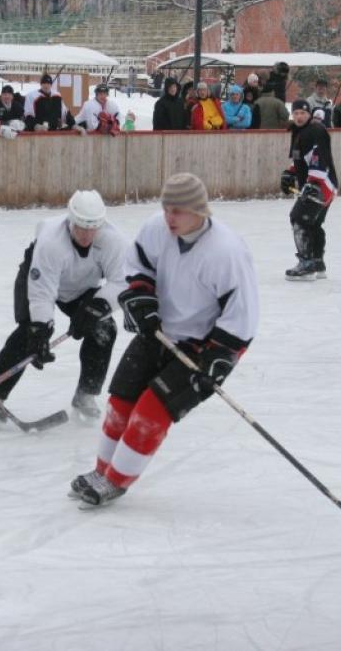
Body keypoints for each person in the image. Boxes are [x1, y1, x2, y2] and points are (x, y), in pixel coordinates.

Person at [69, 173, 259, 507]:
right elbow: (137, 268)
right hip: (158, 331)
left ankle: (116, 481)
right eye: (166, 208)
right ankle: (101, 472)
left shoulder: (226, 252)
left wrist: (218, 360)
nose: (170, 217)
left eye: (179, 211)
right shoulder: (156, 229)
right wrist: (140, 298)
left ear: (200, 211)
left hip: (202, 346)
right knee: (120, 401)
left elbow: (243, 314)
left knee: (150, 412)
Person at [0, 190, 126, 422]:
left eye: (93, 227)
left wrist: (97, 307)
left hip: (81, 286)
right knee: (27, 335)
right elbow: (41, 294)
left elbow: (121, 282)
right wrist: (40, 329)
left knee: (104, 329)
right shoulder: (51, 243)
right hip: (38, 278)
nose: (87, 234)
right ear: (71, 220)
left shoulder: (113, 241)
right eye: (81, 227)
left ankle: (86, 393)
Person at [280, 99, 339, 281]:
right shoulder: (298, 132)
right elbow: (299, 158)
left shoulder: (316, 130)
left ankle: (306, 263)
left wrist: (313, 183)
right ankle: (317, 262)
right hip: (319, 184)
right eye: (296, 113)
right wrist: (290, 172)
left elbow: (318, 157)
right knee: (313, 223)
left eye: (303, 114)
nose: (299, 117)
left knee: (299, 218)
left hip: (322, 185)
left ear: (310, 114)